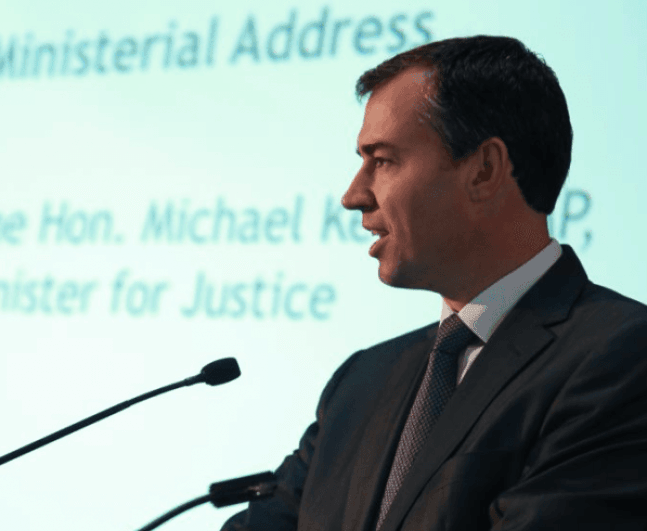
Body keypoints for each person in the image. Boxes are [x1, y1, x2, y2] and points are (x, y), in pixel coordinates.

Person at [221, 35, 647, 530]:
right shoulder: (360, 383)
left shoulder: (623, 357)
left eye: (382, 160)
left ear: (484, 171)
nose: (353, 195)